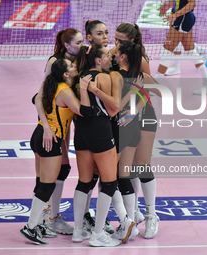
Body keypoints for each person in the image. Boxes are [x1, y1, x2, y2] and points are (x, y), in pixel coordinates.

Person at [20, 58, 92, 245]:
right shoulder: (66, 91)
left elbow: (36, 98)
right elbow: (83, 111)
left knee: (42, 182)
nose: (75, 66)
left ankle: (38, 224)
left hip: (40, 135)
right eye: (71, 66)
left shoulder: (53, 85)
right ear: (66, 74)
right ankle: (30, 227)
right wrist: (84, 89)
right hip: (50, 140)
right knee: (47, 185)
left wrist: (45, 126)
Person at [73, 44, 135, 246]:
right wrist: (97, 90)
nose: (111, 58)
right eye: (108, 56)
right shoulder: (105, 77)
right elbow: (114, 108)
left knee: (84, 181)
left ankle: (77, 231)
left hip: (80, 129)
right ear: (98, 61)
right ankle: (98, 234)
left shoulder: (80, 75)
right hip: (99, 130)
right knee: (109, 182)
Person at [110, 23, 160, 239]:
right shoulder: (113, 55)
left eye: (120, 40)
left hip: (143, 115)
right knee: (126, 168)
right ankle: (134, 213)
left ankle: (151, 215)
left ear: (131, 41)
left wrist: (134, 110)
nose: (116, 42)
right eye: (115, 38)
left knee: (143, 165)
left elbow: (151, 89)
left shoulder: (140, 60)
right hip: (122, 117)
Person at [32, 28, 84, 235]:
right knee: (48, 174)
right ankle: (46, 217)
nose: (82, 45)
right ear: (67, 45)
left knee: (63, 168)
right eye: (78, 42)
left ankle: (49, 217)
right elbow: (40, 96)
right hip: (50, 122)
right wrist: (45, 126)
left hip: (66, 119)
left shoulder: (80, 60)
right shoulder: (56, 62)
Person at [156, 0, 207, 95]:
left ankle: (155, 86)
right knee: (191, 52)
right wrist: (169, 5)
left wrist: (175, 15)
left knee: (166, 52)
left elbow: (192, 3)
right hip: (182, 19)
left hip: (182, 20)